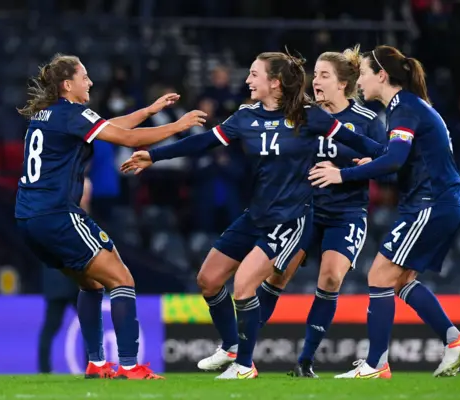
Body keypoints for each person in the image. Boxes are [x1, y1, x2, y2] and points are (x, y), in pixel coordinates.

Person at [121, 50, 386, 379]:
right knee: (208, 280)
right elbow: (203, 143)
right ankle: (232, 346)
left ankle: (244, 365)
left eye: (253, 74)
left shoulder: (309, 117)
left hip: (291, 218)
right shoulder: (245, 117)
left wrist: (384, 159)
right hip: (256, 215)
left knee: (244, 285)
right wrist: (154, 156)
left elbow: (366, 145)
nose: (247, 80)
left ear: (275, 83)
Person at [15, 53, 206, 380]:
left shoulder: (47, 116)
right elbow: (128, 139)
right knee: (122, 279)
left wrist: (148, 111)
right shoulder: (71, 113)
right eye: (84, 76)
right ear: (67, 85)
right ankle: (131, 366)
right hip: (58, 213)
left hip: (28, 217)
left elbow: (111, 128)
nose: (89, 82)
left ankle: (96, 363)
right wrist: (178, 125)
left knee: (90, 283)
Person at [309, 45, 460, 379]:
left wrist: (342, 174)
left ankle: (376, 363)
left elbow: (394, 160)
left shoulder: (403, 107)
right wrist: (346, 138)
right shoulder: (407, 107)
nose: (360, 82)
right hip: (436, 202)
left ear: (382, 75)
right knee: (400, 282)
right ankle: (453, 340)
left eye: (365, 74)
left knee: (379, 276)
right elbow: (389, 154)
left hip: (430, 203)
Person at [250, 47, 387, 378]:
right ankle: (241, 355)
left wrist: (367, 165)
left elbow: (389, 161)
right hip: (304, 210)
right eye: (316, 74)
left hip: (346, 213)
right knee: (276, 277)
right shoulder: (303, 115)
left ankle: (305, 361)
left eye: (324, 75)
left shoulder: (367, 121)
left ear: (342, 84)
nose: (316, 81)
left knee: (330, 277)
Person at [38, 177, 92, 373]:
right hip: (67, 280)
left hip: (60, 280)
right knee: (56, 325)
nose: (87, 197)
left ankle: (45, 370)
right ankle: (45, 369)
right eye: (85, 193)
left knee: (55, 326)